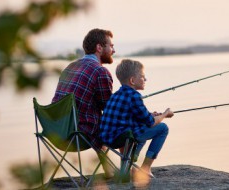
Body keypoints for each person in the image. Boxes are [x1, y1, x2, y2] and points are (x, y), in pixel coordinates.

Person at [52, 28, 115, 177]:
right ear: (99, 47)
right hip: (78, 135)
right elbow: (108, 109)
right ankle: (122, 171)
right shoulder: (100, 71)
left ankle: (110, 170)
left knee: (94, 119)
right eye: (111, 46)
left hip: (55, 131)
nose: (114, 50)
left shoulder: (69, 67)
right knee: (115, 121)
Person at [99, 59, 174, 182]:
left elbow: (132, 114)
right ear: (132, 80)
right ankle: (145, 169)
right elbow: (151, 122)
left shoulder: (116, 95)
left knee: (140, 126)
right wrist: (165, 114)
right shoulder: (134, 96)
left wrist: (150, 114)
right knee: (162, 128)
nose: (145, 80)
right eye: (143, 77)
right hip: (122, 138)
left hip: (106, 139)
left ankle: (130, 165)